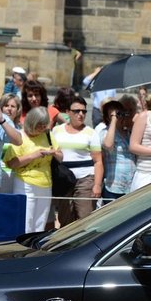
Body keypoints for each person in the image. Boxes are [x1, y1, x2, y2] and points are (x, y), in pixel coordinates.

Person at [3, 107, 62, 232]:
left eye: (44, 125)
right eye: (39, 126)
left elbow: (61, 157)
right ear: (31, 123)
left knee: (40, 224)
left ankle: (34, 249)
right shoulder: (19, 136)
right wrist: (33, 155)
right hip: (25, 183)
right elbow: (11, 163)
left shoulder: (47, 134)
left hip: (46, 184)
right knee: (25, 223)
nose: (41, 129)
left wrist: (54, 153)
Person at [51, 96, 102, 225]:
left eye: (84, 111)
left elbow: (98, 161)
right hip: (63, 179)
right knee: (64, 219)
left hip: (85, 179)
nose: (81, 114)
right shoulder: (57, 131)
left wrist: (97, 185)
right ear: (68, 112)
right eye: (77, 111)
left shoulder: (91, 133)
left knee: (85, 218)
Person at [100, 96, 137, 200]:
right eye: (115, 115)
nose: (119, 117)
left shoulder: (129, 133)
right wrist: (113, 119)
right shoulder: (105, 132)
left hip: (130, 184)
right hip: (113, 185)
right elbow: (108, 145)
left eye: (120, 113)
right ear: (107, 117)